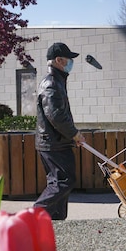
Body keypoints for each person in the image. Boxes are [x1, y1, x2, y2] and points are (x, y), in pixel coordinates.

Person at [34, 42, 85, 220]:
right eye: (68, 59)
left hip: (55, 141)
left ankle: (56, 221)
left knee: (57, 182)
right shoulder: (52, 84)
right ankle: (34, 215)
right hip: (54, 143)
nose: (71, 62)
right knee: (64, 182)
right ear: (59, 60)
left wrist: (72, 135)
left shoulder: (56, 81)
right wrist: (74, 133)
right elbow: (55, 115)